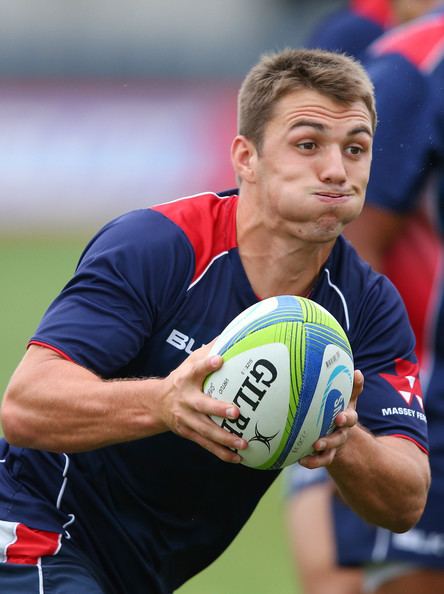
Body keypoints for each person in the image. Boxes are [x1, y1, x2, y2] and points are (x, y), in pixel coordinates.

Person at [0, 48, 430, 594]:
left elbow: (407, 500)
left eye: (356, 148)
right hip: (34, 531)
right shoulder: (160, 245)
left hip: (142, 576)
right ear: (246, 158)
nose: (336, 169)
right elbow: (25, 405)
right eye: (307, 144)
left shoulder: (367, 306)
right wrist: (163, 403)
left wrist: (346, 440)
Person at [285, 3, 444, 594]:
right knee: (343, 580)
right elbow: (350, 240)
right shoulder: (408, 59)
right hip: (416, 394)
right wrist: (350, 379)